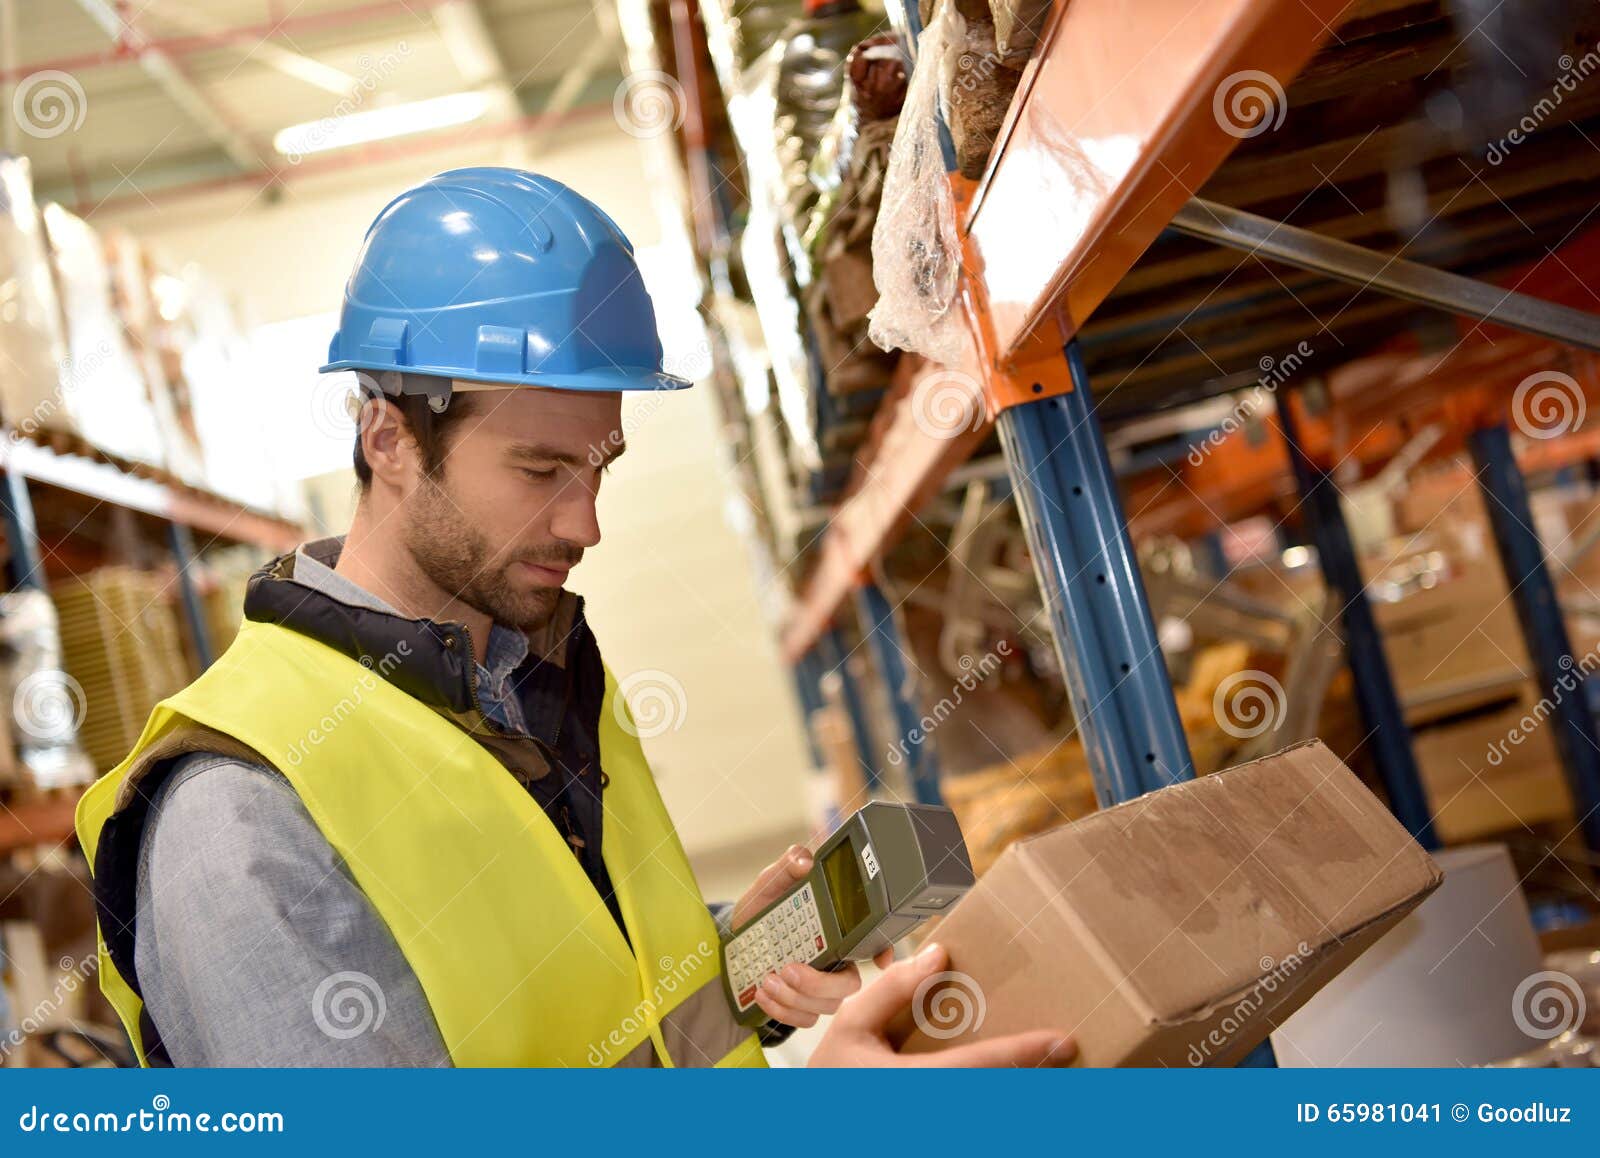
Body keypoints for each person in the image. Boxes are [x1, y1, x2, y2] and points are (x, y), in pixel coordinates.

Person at [75, 168, 1074, 1069]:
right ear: (387, 438)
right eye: (539, 470)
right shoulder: (240, 815)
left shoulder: (525, 673)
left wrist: (723, 968)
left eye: (597, 469)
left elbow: (565, 1032)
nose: (585, 522)